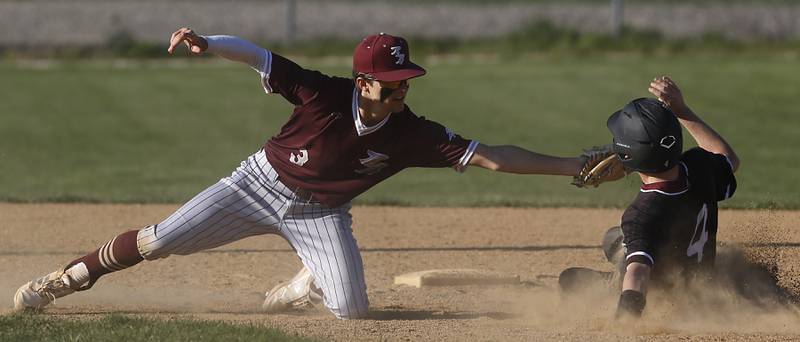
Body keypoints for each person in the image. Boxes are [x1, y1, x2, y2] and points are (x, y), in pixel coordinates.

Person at [14, 28, 609, 319]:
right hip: (254, 186)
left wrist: (572, 168)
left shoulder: (412, 133)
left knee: (352, 310)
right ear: (364, 82)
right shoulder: (322, 94)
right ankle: (62, 281)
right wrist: (205, 42)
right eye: (394, 81)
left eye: (408, 81)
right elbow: (259, 56)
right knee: (158, 240)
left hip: (320, 214)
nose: (404, 88)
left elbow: (491, 155)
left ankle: (306, 282)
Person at [558, 76, 740, 319]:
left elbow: (639, 273)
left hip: (671, 300)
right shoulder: (700, 164)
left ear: (628, 157)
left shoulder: (641, 214)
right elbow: (729, 158)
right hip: (705, 281)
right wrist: (682, 110)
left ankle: (614, 284)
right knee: (614, 239)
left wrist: (626, 319)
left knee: (574, 275)